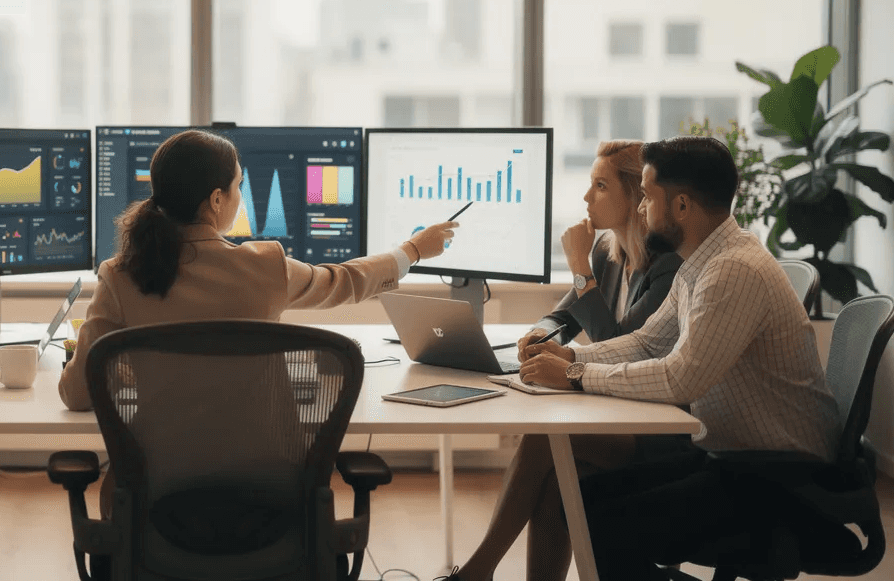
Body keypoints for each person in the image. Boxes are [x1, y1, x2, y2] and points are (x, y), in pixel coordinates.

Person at [514, 135, 840, 581]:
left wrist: (574, 373)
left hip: (777, 476)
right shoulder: (700, 263)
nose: (642, 208)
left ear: (682, 207)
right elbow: (647, 342)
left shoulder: (732, 270)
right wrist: (569, 352)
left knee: (600, 518)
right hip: (731, 456)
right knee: (581, 499)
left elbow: (680, 378)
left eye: (647, 197)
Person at [59, 128, 459, 411]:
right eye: (238, 185)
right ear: (217, 199)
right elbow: (345, 281)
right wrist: (412, 250)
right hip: (266, 488)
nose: (240, 196)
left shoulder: (119, 275)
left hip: (161, 497)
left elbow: (77, 395)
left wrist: (127, 370)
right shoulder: (264, 266)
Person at [448, 140, 683, 581]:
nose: (586, 198)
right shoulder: (607, 254)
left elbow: (621, 342)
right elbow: (564, 314)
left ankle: (477, 572)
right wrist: (541, 334)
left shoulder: (667, 267)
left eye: (600, 186)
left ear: (636, 198)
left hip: (662, 429)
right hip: (617, 413)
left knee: (545, 438)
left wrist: (577, 264)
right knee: (558, 470)